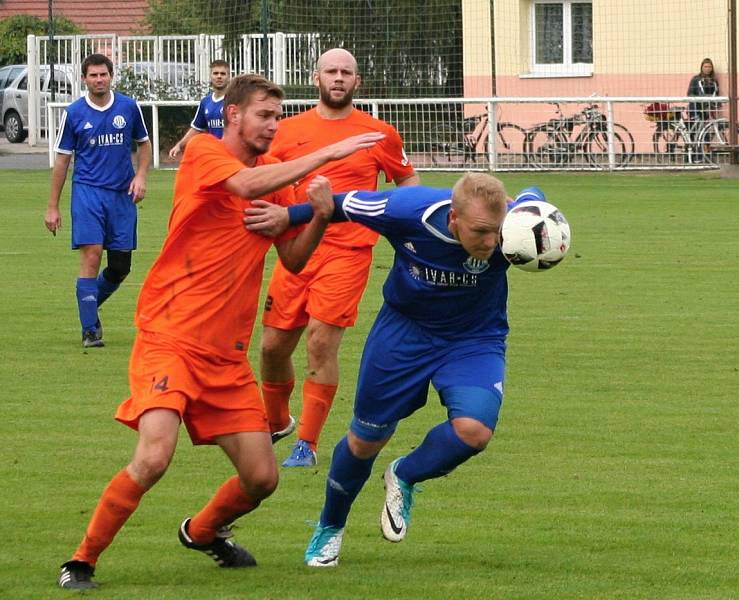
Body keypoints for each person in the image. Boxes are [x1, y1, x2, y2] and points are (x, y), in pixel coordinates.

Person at [56, 73, 384, 590]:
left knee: (263, 478)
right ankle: (81, 560)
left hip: (226, 358)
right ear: (233, 114)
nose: (274, 126)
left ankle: (203, 531)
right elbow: (245, 185)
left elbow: (295, 261)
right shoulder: (206, 153)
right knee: (154, 455)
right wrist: (328, 153)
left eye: (278, 117)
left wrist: (319, 215)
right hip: (170, 337)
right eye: (264, 116)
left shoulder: (278, 173)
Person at [244, 174, 543, 567]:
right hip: (404, 335)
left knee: (475, 431)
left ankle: (404, 475)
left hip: (474, 339)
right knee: (365, 440)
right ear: (453, 218)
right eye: (481, 232)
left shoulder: (512, 225)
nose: (491, 243)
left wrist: (530, 205)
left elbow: (535, 200)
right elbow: (341, 204)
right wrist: (288, 214)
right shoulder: (407, 211)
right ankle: (330, 527)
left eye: (496, 231)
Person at [260, 47, 419, 468]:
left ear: (357, 82)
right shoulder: (287, 130)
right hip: (296, 250)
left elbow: (407, 181)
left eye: (346, 72)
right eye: (330, 71)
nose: (338, 77)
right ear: (316, 78)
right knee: (273, 347)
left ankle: (306, 444)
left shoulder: (378, 132)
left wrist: (407, 225)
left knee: (320, 341)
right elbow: (265, 178)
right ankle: (278, 422)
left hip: (348, 252)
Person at [45, 53, 151, 348]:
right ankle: (89, 330)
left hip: (121, 196)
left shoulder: (128, 107)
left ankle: (87, 305)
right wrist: (53, 206)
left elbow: (144, 144)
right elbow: (62, 161)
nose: (99, 79)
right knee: (91, 255)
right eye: (93, 75)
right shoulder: (75, 113)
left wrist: (141, 175)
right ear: (84, 78)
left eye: (103, 74)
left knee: (120, 267)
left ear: (111, 75)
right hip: (88, 193)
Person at [169, 59, 230, 157]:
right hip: (214, 153)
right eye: (215, 73)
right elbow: (197, 128)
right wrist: (179, 145)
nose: (219, 76)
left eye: (223, 74)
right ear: (211, 76)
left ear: (228, 77)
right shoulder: (206, 102)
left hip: (232, 153)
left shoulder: (235, 100)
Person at [686, 58, 720, 124]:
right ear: (702, 67)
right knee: (696, 128)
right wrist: (699, 99)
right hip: (696, 108)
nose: (707, 68)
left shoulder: (714, 81)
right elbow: (690, 93)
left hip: (708, 109)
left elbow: (716, 93)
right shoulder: (696, 79)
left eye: (709, 67)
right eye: (705, 66)